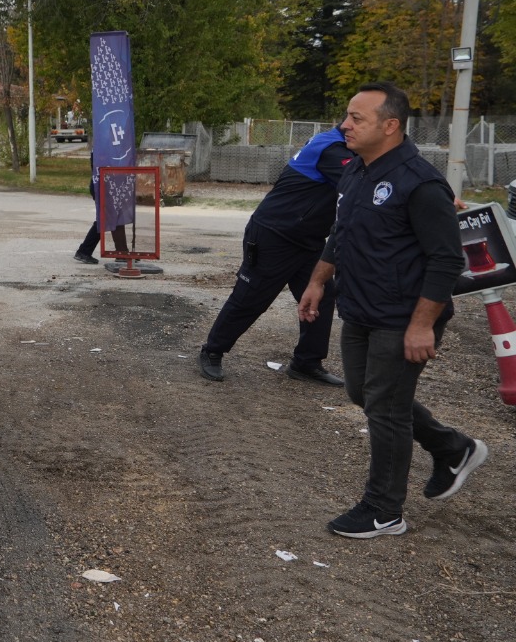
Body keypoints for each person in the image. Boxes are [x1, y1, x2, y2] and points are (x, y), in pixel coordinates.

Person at [297, 82, 488, 539]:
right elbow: (341, 233)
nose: (344, 125)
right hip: (361, 309)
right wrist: (318, 281)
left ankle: (384, 510)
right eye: (347, 116)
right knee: (363, 393)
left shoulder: (421, 183)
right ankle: (453, 448)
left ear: (390, 126)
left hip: (403, 316)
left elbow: (446, 260)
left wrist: (422, 325)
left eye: (356, 118)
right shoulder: (356, 171)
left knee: (385, 408)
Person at [196, 126, 354, 385]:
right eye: (354, 119)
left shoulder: (347, 148)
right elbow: (360, 183)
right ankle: (212, 351)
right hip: (274, 234)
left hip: (308, 239)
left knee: (322, 296)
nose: (354, 126)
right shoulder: (332, 149)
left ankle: (306, 363)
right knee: (252, 296)